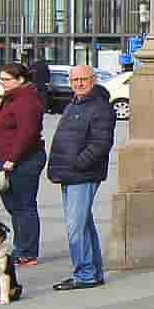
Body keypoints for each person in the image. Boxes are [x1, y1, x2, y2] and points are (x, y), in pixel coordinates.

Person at [48, 63, 115, 292]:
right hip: (70, 173)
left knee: (75, 226)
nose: (78, 84)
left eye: (83, 79)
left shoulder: (100, 107)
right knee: (83, 224)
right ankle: (92, 272)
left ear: (93, 80)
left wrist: (77, 164)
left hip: (82, 173)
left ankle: (85, 274)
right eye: (74, 80)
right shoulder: (74, 104)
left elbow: (100, 145)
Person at [0, 61, 46, 267]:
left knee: (24, 206)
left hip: (20, 161)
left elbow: (27, 133)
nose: (2, 82)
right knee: (15, 207)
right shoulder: (13, 97)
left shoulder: (26, 100)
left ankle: (27, 252)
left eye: (6, 79)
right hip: (4, 159)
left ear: (21, 80)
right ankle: (22, 248)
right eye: (0, 78)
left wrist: (13, 158)